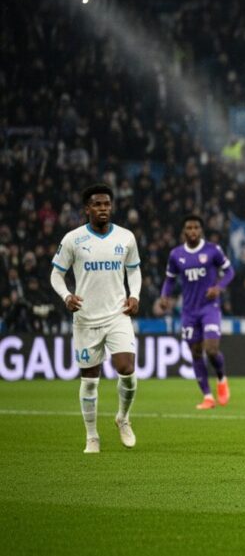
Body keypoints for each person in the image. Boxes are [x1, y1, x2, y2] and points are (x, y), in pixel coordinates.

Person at [50, 184, 141, 453]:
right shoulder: (72, 240)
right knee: (90, 379)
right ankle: (92, 436)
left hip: (118, 314)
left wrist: (134, 294)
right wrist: (66, 296)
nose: (103, 209)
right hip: (86, 319)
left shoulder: (126, 238)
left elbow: (134, 271)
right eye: (97, 205)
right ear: (86, 209)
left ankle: (123, 418)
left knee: (126, 369)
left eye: (107, 204)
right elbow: (56, 274)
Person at [159, 215, 235, 410]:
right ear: (184, 231)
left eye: (196, 228)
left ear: (201, 230)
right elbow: (169, 279)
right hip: (189, 311)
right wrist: (164, 296)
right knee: (195, 352)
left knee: (211, 349)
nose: (193, 231)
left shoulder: (212, 250)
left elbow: (229, 272)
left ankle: (221, 379)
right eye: (189, 228)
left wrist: (218, 288)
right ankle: (208, 397)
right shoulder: (176, 254)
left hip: (209, 308)